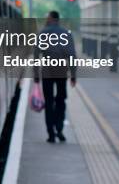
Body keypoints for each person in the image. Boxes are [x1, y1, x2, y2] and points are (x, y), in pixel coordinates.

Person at [34, 11, 76, 143]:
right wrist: (73, 75)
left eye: (47, 17)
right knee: (60, 101)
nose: (46, 19)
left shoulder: (42, 33)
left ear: (51, 18)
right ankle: (60, 129)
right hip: (61, 72)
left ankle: (51, 133)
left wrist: (36, 75)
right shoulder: (66, 33)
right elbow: (71, 55)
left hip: (47, 72)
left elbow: (36, 55)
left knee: (49, 102)